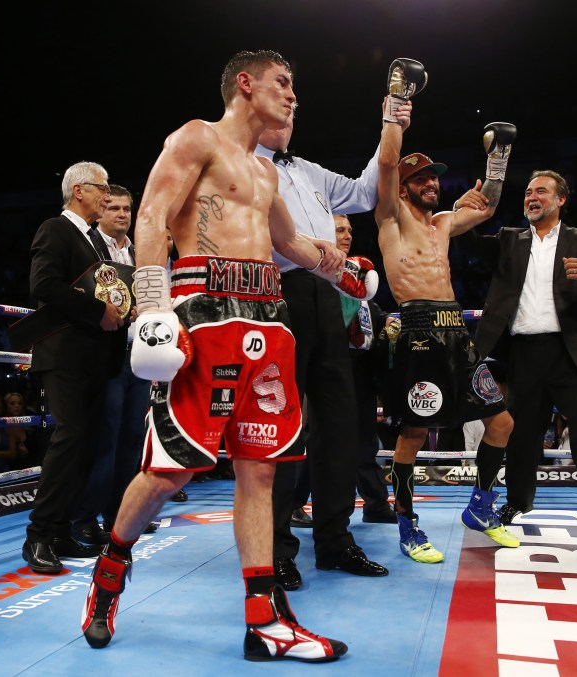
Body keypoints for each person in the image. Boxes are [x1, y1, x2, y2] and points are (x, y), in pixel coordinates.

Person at [79, 50, 375, 662]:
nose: (293, 95)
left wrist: (344, 271)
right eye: (282, 83)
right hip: (203, 312)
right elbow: (155, 217)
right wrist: (153, 308)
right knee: (172, 469)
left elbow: (291, 244)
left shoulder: (264, 172)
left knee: (262, 469)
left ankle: (265, 622)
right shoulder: (197, 137)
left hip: (267, 316)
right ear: (247, 84)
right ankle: (110, 569)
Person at [374, 76, 519, 563]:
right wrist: (397, 104)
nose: (432, 184)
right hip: (416, 332)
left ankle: (480, 507)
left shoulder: (443, 224)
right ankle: (407, 524)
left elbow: (493, 204)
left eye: (435, 178)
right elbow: (389, 163)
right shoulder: (390, 216)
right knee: (413, 434)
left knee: (501, 422)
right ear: (402, 186)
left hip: (456, 332)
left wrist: (497, 154)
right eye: (421, 179)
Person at [255, 98, 390, 589]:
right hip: (276, 290)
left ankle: (334, 542)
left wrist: (391, 124)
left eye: (294, 113)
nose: (289, 119)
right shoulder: (243, 166)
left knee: (338, 427)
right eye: (280, 111)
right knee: (282, 427)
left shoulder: (309, 171)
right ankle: (275, 552)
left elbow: (366, 192)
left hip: (327, 294)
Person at [455, 170, 577, 549]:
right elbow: (465, 243)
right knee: (521, 436)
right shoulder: (509, 239)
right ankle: (516, 502)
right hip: (523, 353)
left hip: (569, 355)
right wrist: (462, 210)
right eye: (529, 192)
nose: (532, 197)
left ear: (561, 199)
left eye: (542, 191)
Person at [20, 160, 128, 574]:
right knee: (70, 440)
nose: (107, 195)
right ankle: (39, 535)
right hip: (64, 356)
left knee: (86, 446)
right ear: (79, 191)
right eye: (101, 189)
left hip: (97, 357)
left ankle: (62, 530)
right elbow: (43, 285)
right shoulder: (56, 228)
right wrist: (99, 309)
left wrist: (121, 310)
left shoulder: (97, 242)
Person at [72, 184, 156, 544]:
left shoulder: (140, 252)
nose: (122, 214)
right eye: (115, 208)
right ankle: (85, 517)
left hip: (139, 356)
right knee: (104, 439)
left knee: (133, 439)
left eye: (127, 209)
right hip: (105, 356)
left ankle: (121, 516)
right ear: (102, 212)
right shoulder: (88, 246)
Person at [334, 213, 397, 524]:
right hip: (329, 368)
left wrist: (393, 321)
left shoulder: (360, 275)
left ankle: (375, 504)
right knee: (319, 440)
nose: (346, 235)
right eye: (339, 230)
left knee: (366, 442)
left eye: (349, 230)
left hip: (361, 372)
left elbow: (372, 312)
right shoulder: (314, 275)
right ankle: (294, 504)